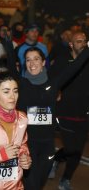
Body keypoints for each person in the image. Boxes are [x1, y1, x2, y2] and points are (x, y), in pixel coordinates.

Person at [4, 39, 89, 190]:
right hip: (26, 145)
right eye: (28, 60)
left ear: (44, 62)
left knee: (39, 183)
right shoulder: (21, 84)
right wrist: (8, 44)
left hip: (47, 146)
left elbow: (75, 67)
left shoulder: (54, 83)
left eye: (36, 59)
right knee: (31, 185)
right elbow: (11, 65)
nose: (32, 63)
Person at [49, 31, 89, 190]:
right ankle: (56, 159)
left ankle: (65, 179)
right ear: (71, 44)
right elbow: (50, 80)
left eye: (85, 41)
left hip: (84, 113)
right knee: (72, 148)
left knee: (77, 150)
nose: (83, 44)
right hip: (64, 112)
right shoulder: (62, 61)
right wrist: (55, 92)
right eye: (79, 41)